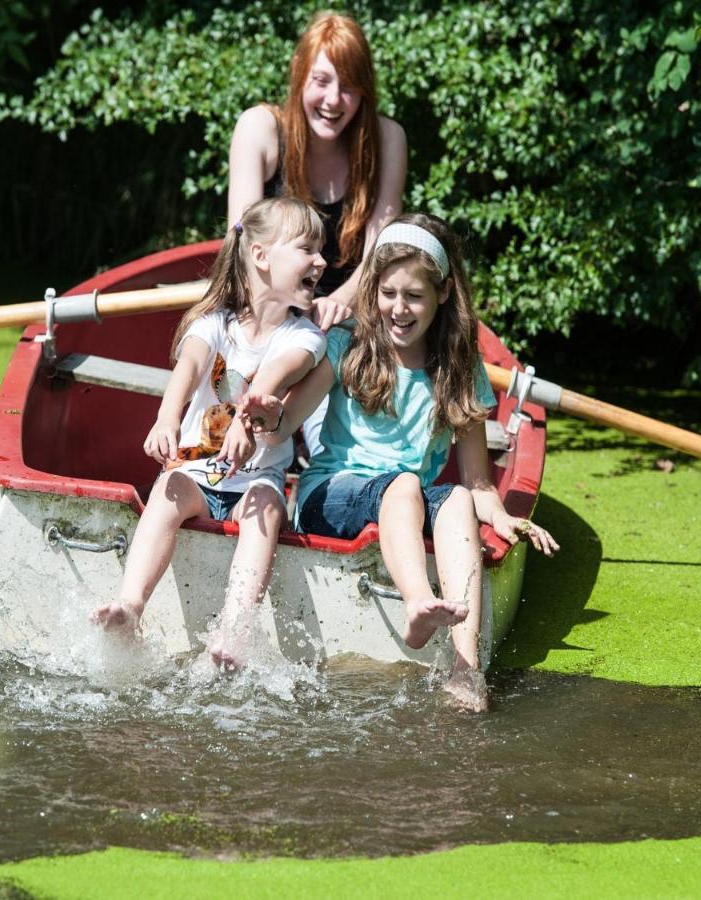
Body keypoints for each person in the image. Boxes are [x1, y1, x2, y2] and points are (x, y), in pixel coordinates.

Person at [239, 214, 560, 711]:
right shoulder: (348, 345)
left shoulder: (460, 365)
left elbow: (476, 481)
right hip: (332, 494)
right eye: (387, 293)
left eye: (413, 296)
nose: (398, 309)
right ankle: (417, 602)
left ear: (444, 292)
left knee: (451, 499)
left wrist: (503, 516)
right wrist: (265, 414)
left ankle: (465, 667)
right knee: (405, 485)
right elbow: (285, 424)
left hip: (403, 496)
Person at [91, 197, 329, 670]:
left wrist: (247, 417)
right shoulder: (214, 324)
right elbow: (192, 363)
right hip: (200, 474)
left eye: (321, 250)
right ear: (261, 255)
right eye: (307, 249)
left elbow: (280, 371)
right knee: (167, 487)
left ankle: (233, 631)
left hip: (255, 481)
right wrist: (166, 417)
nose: (321, 261)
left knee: (267, 509)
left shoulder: (305, 336)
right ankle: (131, 606)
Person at [229, 12, 406, 332]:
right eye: (321, 80)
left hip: (347, 320)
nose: (333, 100)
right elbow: (241, 245)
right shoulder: (259, 128)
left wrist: (337, 304)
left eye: (349, 86)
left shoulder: (387, 140)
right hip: (264, 315)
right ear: (299, 70)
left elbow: (381, 254)